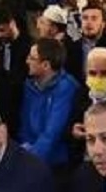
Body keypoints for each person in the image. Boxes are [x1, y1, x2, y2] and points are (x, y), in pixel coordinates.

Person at [17, 37, 78, 169]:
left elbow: (53, 132)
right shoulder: (28, 85)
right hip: (29, 154)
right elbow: (24, 125)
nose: (27, 61)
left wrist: (30, 162)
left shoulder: (66, 87)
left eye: (32, 58)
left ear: (45, 65)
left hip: (56, 162)